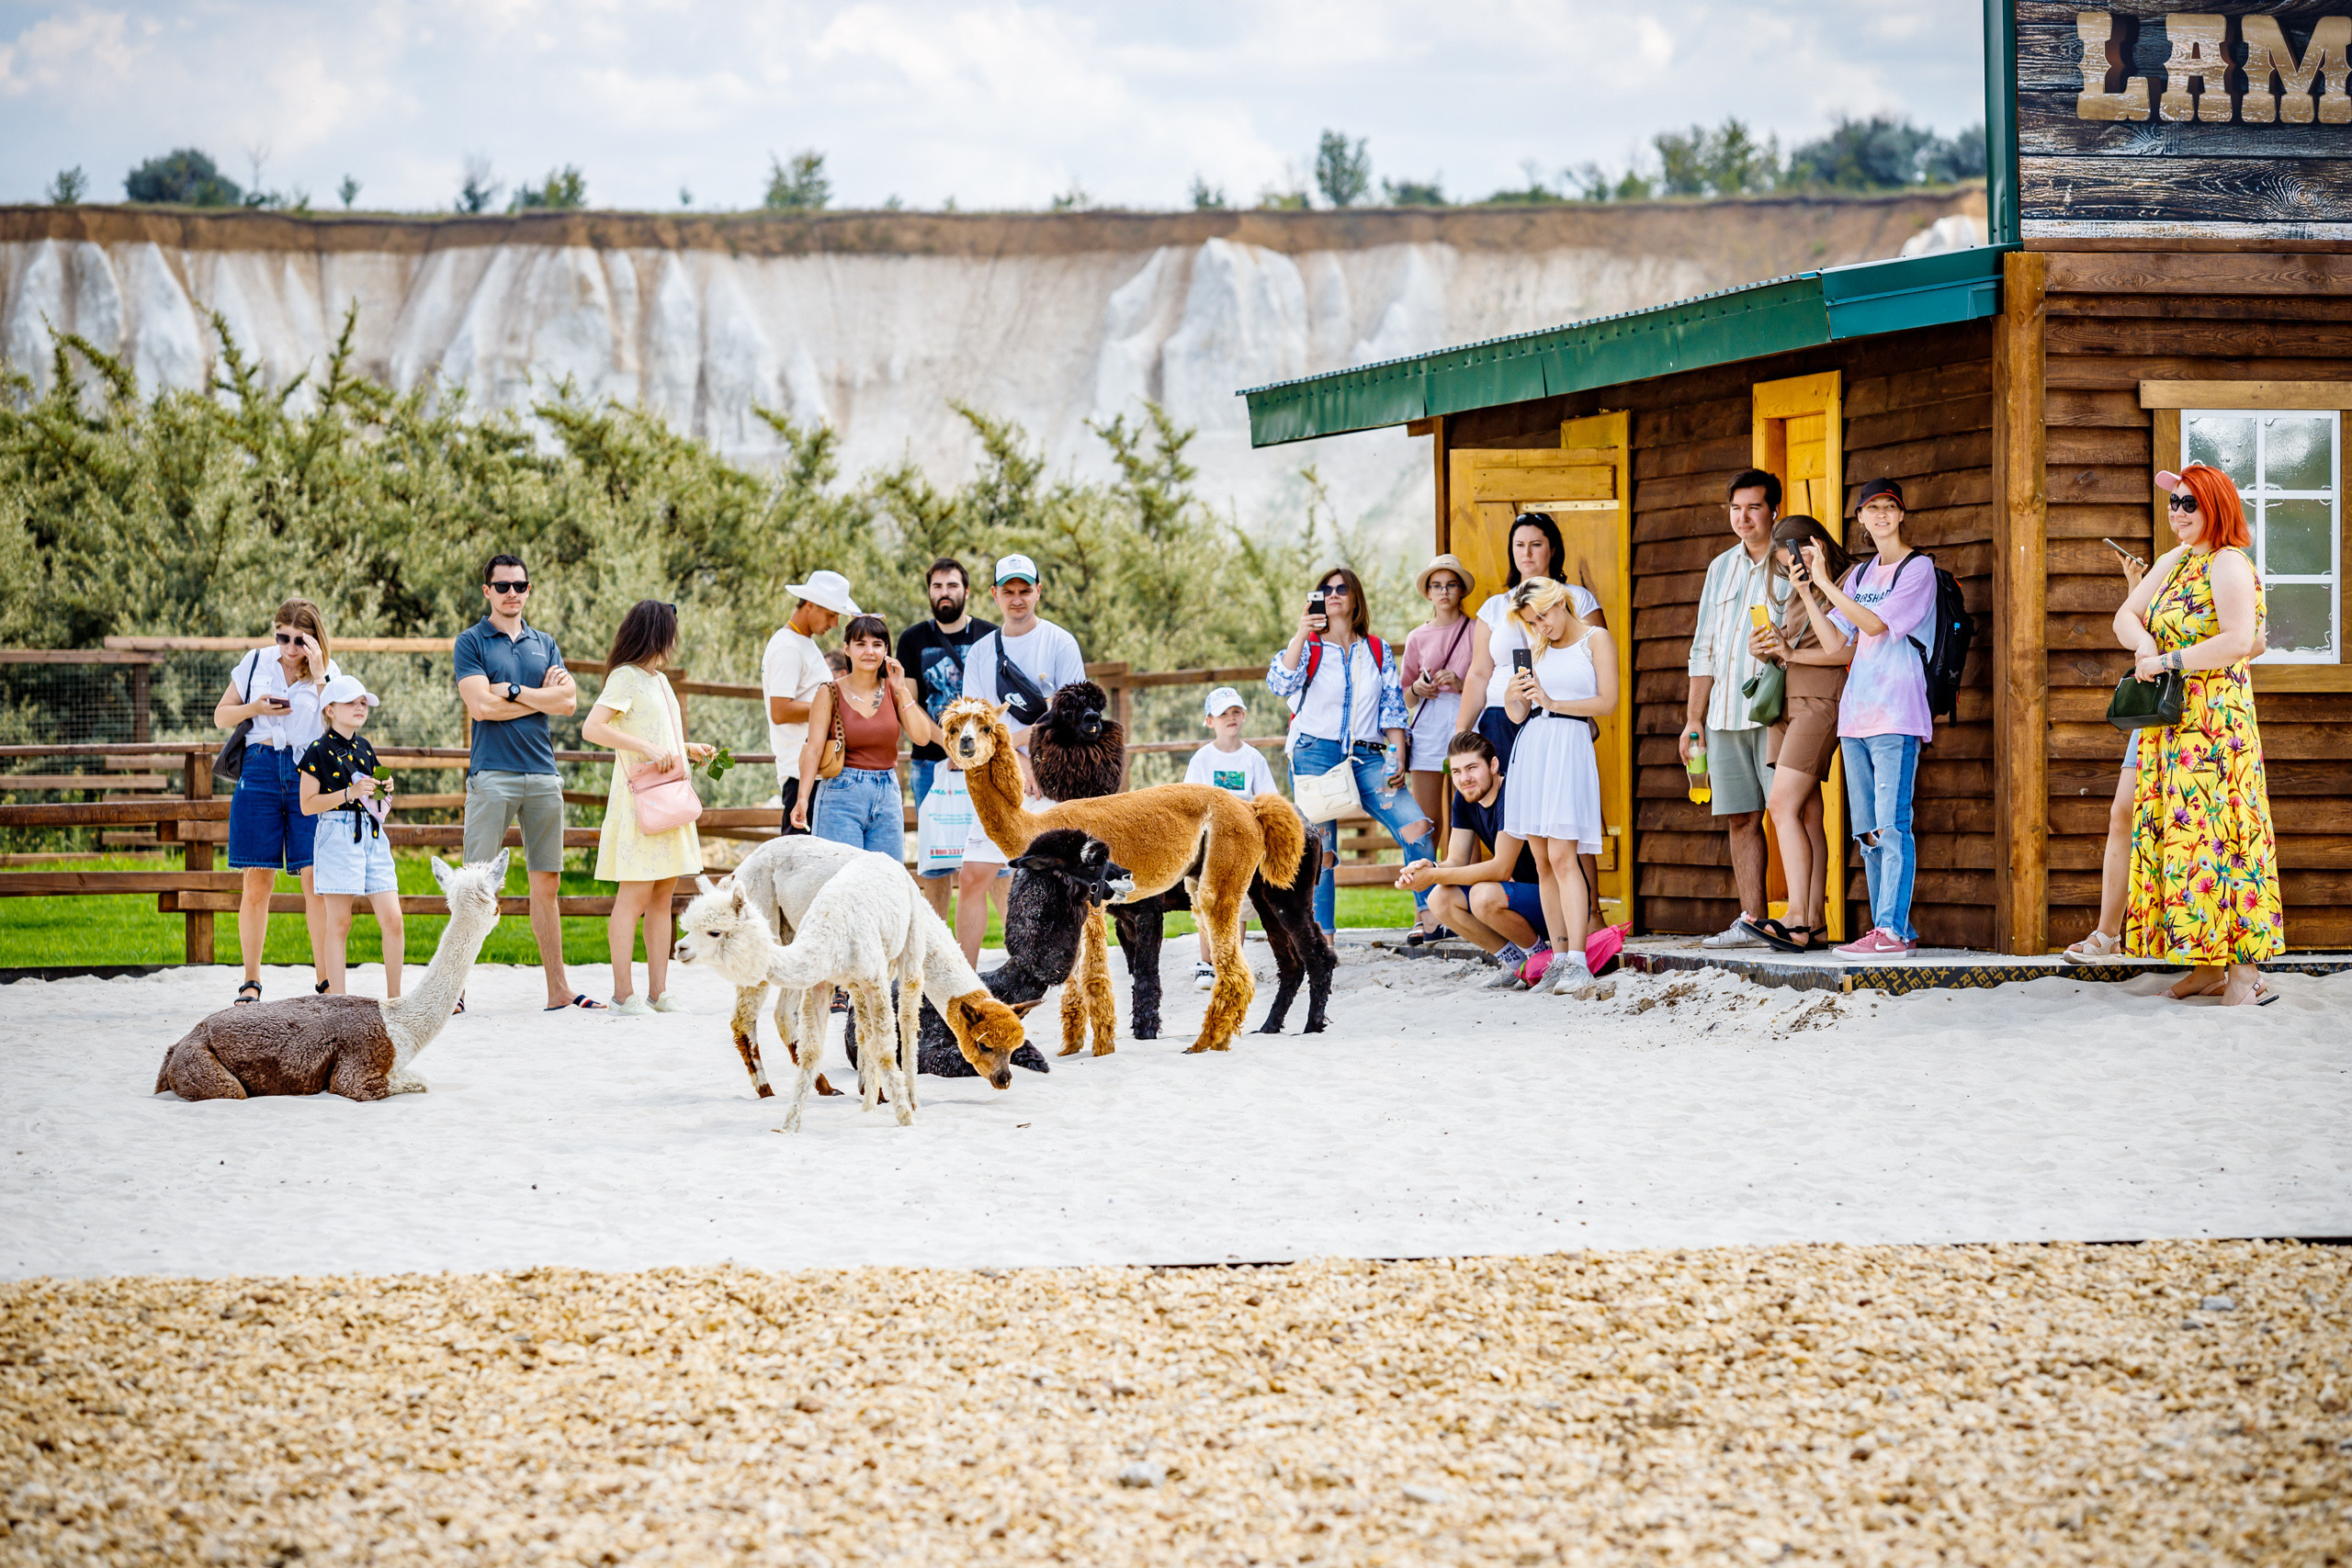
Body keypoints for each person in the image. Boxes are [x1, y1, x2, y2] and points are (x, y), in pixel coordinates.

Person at [2113, 464, 2282, 1005]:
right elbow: (2125, 614)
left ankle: (2241, 974)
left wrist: (2168, 658)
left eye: (2189, 503)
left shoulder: (2229, 563)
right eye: (2173, 503)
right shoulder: (2175, 560)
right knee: (2191, 846)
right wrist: (2143, 647)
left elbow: (2238, 640)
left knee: (2225, 839)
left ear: (2216, 506)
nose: (2177, 512)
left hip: (2217, 729)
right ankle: (2206, 967)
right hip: (2175, 725)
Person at [454, 554, 591, 1011]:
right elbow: (481, 709)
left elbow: (570, 704)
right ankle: (455, 992)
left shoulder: (545, 643)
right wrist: (541, 699)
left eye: (520, 585)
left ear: (528, 590)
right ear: (487, 591)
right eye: (503, 585)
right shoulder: (470, 642)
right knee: (474, 886)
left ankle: (558, 990)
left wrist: (511, 690)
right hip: (492, 775)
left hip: (543, 775)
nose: (512, 592)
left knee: (546, 885)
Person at [1267, 565, 1434, 935]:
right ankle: (1322, 938)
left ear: (1356, 595)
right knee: (1320, 852)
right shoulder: (1309, 646)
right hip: (1315, 752)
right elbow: (1280, 683)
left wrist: (1399, 751)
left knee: (1417, 826)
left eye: (1343, 588)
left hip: (1370, 755)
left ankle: (1432, 917)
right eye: (1326, 589)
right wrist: (1300, 631)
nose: (1334, 594)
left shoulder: (1375, 649)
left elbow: (1392, 705)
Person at [1807, 479, 1936, 959]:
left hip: (1897, 713)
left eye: (1889, 508)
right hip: (1856, 716)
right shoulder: (1859, 576)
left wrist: (1824, 583)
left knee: (1894, 824)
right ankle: (1886, 928)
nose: (1881, 515)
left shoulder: (1917, 568)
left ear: (1901, 515)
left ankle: (1892, 932)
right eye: (1872, 509)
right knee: (1869, 834)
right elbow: (1834, 643)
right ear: (1860, 518)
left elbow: (1877, 625)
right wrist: (1807, 592)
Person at [582, 600, 714, 1015]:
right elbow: (593, 728)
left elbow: (656, 731)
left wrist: (686, 749)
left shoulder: (659, 681)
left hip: (668, 798)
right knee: (634, 896)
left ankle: (659, 991)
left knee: (663, 897)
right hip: (642, 801)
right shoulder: (625, 677)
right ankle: (623, 994)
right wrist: (645, 747)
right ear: (658, 632)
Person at [955, 554, 1089, 964]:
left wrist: (1029, 752)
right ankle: (965, 980)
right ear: (994, 594)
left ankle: (1062, 973)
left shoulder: (1061, 642)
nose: (1017, 599)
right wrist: (1018, 760)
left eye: (1024, 590)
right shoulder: (980, 653)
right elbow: (975, 723)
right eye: (1008, 591)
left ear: (1038, 592)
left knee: (1063, 877)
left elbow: (1071, 712)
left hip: (1056, 777)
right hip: (1000, 780)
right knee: (975, 874)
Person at [212, 597, 337, 1005]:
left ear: (314, 639)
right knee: (256, 881)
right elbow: (221, 716)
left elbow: (337, 725)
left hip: (306, 772)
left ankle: (325, 982)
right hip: (261, 767)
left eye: (298, 639)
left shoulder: (327, 671)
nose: (288, 647)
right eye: (281, 636)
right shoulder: (255, 662)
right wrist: (256, 707)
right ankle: (251, 981)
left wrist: (319, 676)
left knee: (314, 881)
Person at [1680, 472, 1785, 949]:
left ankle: (1805, 920)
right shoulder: (1719, 567)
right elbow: (1704, 648)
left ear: (1773, 512)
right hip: (1721, 716)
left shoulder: (1790, 564)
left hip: (1775, 711)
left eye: (1754, 508)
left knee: (1792, 814)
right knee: (1740, 818)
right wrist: (1693, 721)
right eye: (1735, 509)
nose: (1743, 518)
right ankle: (1752, 921)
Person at [1741, 516, 1855, 954]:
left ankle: (1797, 916)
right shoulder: (1792, 589)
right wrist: (1766, 649)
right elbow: (1790, 649)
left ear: (1819, 544)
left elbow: (1848, 650)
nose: (1795, 567)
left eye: (1801, 555)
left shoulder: (1846, 580)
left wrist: (1812, 590)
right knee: (1806, 814)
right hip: (1786, 703)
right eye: (1787, 562)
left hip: (1820, 703)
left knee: (1780, 805)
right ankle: (1814, 923)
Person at [1501, 578, 1618, 994]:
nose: (1541, 626)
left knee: (1564, 854)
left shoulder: (1595, 638)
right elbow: (1518, 715)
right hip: (1534, 746)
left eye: (1543, 616)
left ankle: (1578, 960)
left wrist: (1553, 703)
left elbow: (1608, 702)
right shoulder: (1537, 647)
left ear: (1561, 604)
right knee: (1542, 858)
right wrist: (1515, 695)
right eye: (1532, 622)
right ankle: (1557, 955)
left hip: (1569, 745)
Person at [1393, 732, 1547, 989]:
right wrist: (1427, 868)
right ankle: (1514, 963)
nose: (1464, 779)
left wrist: (1434, 876)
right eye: (1456, 771)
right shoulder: (1464, 799)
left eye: (1472, 768)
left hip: (1554, 901)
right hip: (1523, 902)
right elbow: (1455, 860)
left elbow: (1501, 868)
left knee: (1483, 896)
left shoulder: (1512, 794)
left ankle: (1541, 957)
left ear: (1493, 765)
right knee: (1438, 898)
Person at [897, 558, 997, 919]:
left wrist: (973, 749)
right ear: (929, 592)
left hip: (985, 766)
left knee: (997, 859)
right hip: (931, 763)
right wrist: (949, 744)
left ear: (966, 592)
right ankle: (934, 951)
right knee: (935, 861)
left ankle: (1016, 956)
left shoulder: (990, 635)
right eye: (937, 587)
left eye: (952, 586)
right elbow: (908, 704)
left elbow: (996, 701)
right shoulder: (912, 640)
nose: (944, 593)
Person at [1462, 513, 1602, 768]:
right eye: (1519, 545)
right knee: (1505, 803)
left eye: (1536, 544)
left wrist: (1583, 711)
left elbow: (1597, 664)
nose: (1526, 553)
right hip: (1500, 716)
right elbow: (1479, 673)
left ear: (1553, 549)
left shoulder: (1577, 599)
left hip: (1557, 714)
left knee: (1556, 800)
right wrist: (1461, 734)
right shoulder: (1494, 607)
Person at [296, 673, 401, 998]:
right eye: (351, 702)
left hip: (372, 834)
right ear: (329, 709)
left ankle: (395, 1000)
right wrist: (349, 793)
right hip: (337, 836)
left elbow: (372, 798)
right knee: (339, 923)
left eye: (363, 703)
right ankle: (338, 1004)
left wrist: (384, 790)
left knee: (393, 920)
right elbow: (306, 805)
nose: (360, 707)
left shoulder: (366, 748)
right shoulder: (316, 751)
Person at [796, 615, 936, 857]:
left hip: (888, 796)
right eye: (861, 644)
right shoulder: (828, 692)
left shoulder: (893, 690)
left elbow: (922, 737)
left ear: (886, 650)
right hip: (840, 796)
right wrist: (802, 799)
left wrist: (902, 689)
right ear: (847, 649)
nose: (869, 651)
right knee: (841, 881)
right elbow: (814, 749)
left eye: (877, 644)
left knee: (886, 882)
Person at [1400, 554, 1477, 940]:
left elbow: (1487, 679)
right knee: (1428, 821)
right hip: (1429, 731)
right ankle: (1426, 909)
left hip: (1466, 726)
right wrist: (1418, 687)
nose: (1444, 591)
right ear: (1428, 593)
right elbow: (1404, 695)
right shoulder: (1417, 637)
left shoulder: (1478, 629)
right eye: (1436, 585)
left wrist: (1461, 682)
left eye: (1450, 584)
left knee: (1469, 818)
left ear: (1460, 590)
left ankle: (1469, 905)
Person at [1182, 686, 1280, 988]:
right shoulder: (1202, 759)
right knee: (1204, 898)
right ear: (1210, 721)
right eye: (1223, 713)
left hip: (1241, 842)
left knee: (1237, 902)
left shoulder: (1253, 759)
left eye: (1236, 712)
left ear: (1244, 716)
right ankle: (1206, 962)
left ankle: (1230, 962)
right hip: (1207, 844)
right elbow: (1188, 799)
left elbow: (1268, 799)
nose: (1231, 718)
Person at [763, 570, 858, 838]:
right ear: (810, 605)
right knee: (798, 864)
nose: (835, 623)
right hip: (800, 773)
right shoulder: (789, 647)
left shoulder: (801, 644)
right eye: (830, 614)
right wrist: (834, 705)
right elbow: (780, 711)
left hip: (814, 771)